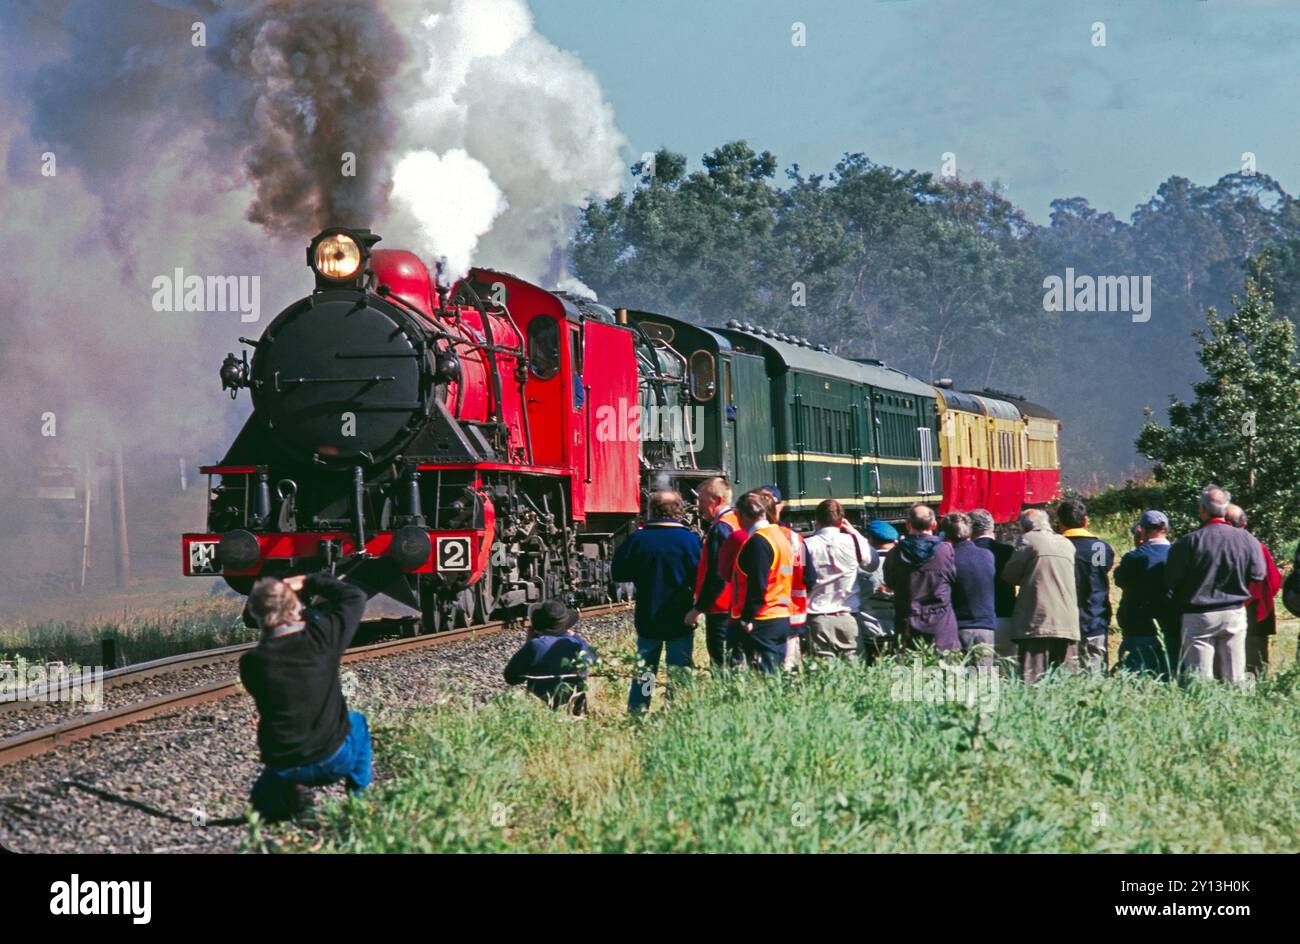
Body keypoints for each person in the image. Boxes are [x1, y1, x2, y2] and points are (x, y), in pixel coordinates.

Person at [239, 573, 371, 821]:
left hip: (284, 766)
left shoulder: (251, 663)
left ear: (256, 613)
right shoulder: (322, 640)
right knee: (358, 722)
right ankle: (359, 803)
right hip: (333, 760)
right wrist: (310, 581)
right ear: (296, 607)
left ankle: (294, 791)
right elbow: (354, 597)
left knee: (260, 809)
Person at [611, 490, 703, 712]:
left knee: (646, 671)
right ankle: (676, 708)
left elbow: (618, 573)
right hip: (681, 616)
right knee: (678, 669)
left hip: (648, 614)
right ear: (680, 511)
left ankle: (640, 707)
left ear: (651, 510)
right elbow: (702, 576)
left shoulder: (637, 540)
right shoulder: (691, 541)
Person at [1165, 485, 1266, 685]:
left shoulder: (1188, 542)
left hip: (1198, 615)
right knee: (1235, 678)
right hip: (1234, 612)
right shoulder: (1247, 539)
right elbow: (1259, 574)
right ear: (1226, 508)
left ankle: (1205, 713)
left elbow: (1171, 580)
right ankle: (1237, 712)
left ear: (1202, 510)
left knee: (1200, 680)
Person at [1001, 508, 1080, 683]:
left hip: (1037, 620)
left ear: (1024, 527)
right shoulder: (1067, 543)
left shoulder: (1028, 540)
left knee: (1032, 679)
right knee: (1066, 681)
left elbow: (1010, 575)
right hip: (1067, 621)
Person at [729, 491, 795, 672]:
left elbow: (758, 584)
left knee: (765, 680)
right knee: (775, 676)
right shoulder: (780, 536)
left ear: (741, 515)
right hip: (780, 615)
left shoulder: (759, 541)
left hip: (762, 619)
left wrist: (746, 619)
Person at [803, 499, 877, 660]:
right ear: (842, 521)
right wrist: (855, 533)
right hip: (848, 617)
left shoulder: (806, 545)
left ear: (816, 520)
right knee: (854, 674)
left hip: (817, 618)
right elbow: (872, 563)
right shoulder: (854, 542)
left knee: (822, 676)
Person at [883, 503, 958, 652]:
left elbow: (890, 582)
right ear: (934, 524)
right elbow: (953, 579)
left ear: (907, 525)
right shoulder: (946, 550)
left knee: (911, 672)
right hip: (941, 628)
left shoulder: (895, 553)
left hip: (907, 625)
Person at [684, 477, 741, 667]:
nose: (698, 506)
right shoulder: (737, 521)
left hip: (721, 606)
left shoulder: (721, 528)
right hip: (736, 603)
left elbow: (717, 574)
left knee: (721, 662)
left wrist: (698, 608)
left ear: (716, 500)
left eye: (701, 501)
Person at [503, 600, 598, 713]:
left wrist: (528, 643)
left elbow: (511, 677)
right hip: (575, 709)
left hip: (543, 712)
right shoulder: (577, 645)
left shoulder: (535, 646)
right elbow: (594, 658)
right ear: (566, 625)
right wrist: (576, 637)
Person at [1114, 510, 1176, 677]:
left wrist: (1139, 546)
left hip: (1138, 626)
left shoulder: (1134, 557)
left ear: (1142, 530)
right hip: (1171, 626)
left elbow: (1119, 579)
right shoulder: (1178, 554)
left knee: (1137, 678)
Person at [757, 485, 813, 670]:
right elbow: (808, 576)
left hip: (763, 616)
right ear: (779, 507)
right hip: (793, 614)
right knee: (789, 669)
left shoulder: (753, 539)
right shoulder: (796, 539)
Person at [1057, 499, 1116, 670]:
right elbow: (1102, 570)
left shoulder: (1057, 546)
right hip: (1095, 618)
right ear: (1085, 521)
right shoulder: (1099, 547)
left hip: (1064, 622)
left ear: (1060, 523)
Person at [1226, 505, 1281, 679]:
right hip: (1255, 612)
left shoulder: (1221, 546)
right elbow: (1274, 581)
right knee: (1253, 661)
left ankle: (1238, 696)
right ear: (1245, 523)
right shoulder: (1256, 545)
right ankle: (1253, 696)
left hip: (1230, 610)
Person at [942, 511, 996, 667]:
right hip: (985, 627)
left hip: (957, 627)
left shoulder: (948, 558)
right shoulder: (987, 555)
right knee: (984, 683)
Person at [970, 509, 1016, 660]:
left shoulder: (966, 553)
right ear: (992, 527)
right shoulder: (1008, 551)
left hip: (977, 622)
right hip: (1006, 618)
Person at [856, 520, 899, 662]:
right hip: (896, 630)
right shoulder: (904, 564)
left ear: (870, 540)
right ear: (895, 541)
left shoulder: (860, 568)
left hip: (868, 631)